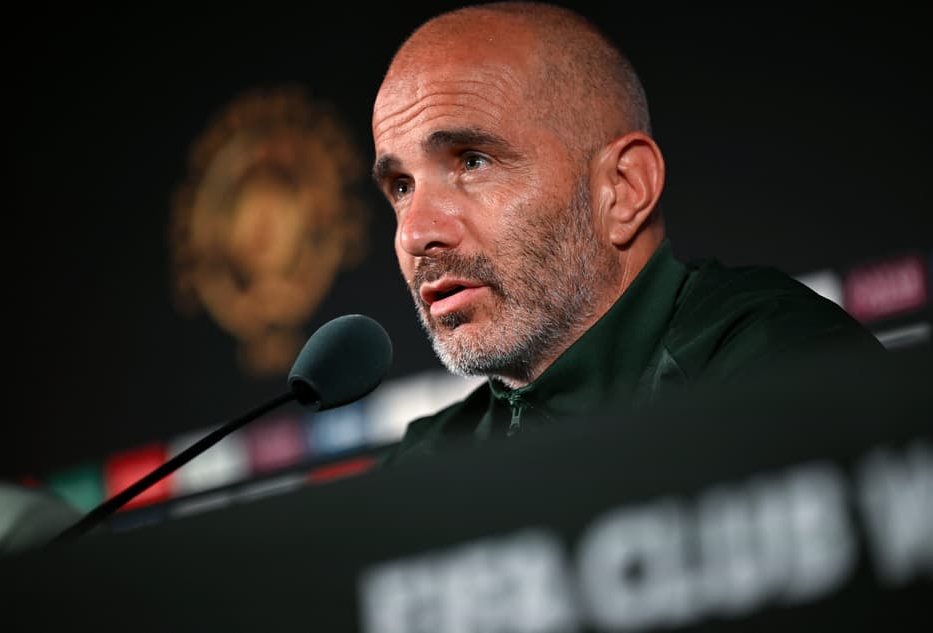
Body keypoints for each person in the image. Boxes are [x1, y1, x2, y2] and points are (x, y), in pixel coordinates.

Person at [370, 1, 886, 464]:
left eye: (474, 162)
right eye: (400, 187)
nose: (415, 233)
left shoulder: (782, 366)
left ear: (624, 187)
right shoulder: (423, 463)